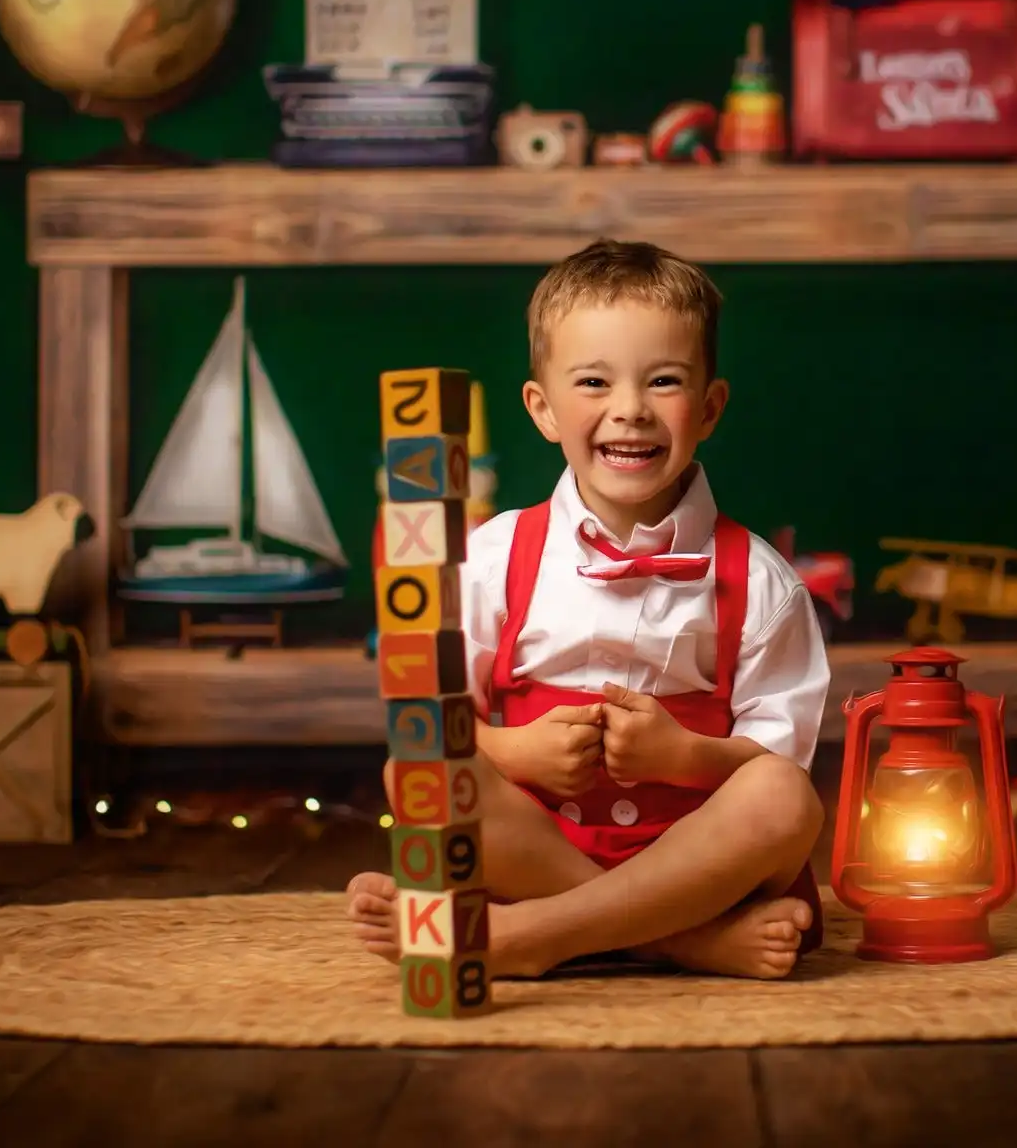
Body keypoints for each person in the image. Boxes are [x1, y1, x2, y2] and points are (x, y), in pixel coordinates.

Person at [347, 238, 831, 980]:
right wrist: (513, 752)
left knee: (785, 798)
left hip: (699, 853)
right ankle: (682, 942)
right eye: (595, 383)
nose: (629, 411)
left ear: (709, 407)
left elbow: (779, 752)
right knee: (414, 773)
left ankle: (527, 937)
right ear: (542, 409)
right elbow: (430, 714)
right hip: (540, 848)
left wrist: (686, 755)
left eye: (663, 381)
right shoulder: (496, 555)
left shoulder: (761, 580)